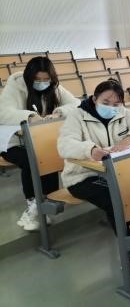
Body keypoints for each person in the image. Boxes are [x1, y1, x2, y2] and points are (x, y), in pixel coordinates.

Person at [57, 79, 130, 274]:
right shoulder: (77, 116)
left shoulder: (122, 113)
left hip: (115, 172)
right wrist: (90, 150)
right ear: (94, 99)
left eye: (116, 103)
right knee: (115, 196)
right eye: (105, 102)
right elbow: (64, 145)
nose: (111, 107)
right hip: (83, 176)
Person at [0, 57, 80, 231]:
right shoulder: (16, 84)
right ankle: (33, 205)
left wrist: (58, 113)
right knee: (32, 159)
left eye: (46, 79)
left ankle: (46, 200)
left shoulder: (53, 86)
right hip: (11, 140)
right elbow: (3, 113)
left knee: (48, 154)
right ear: (29, 77)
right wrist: (29, 117)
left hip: (38, 139)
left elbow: (76, 104)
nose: (42, 83)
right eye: (37, 79)